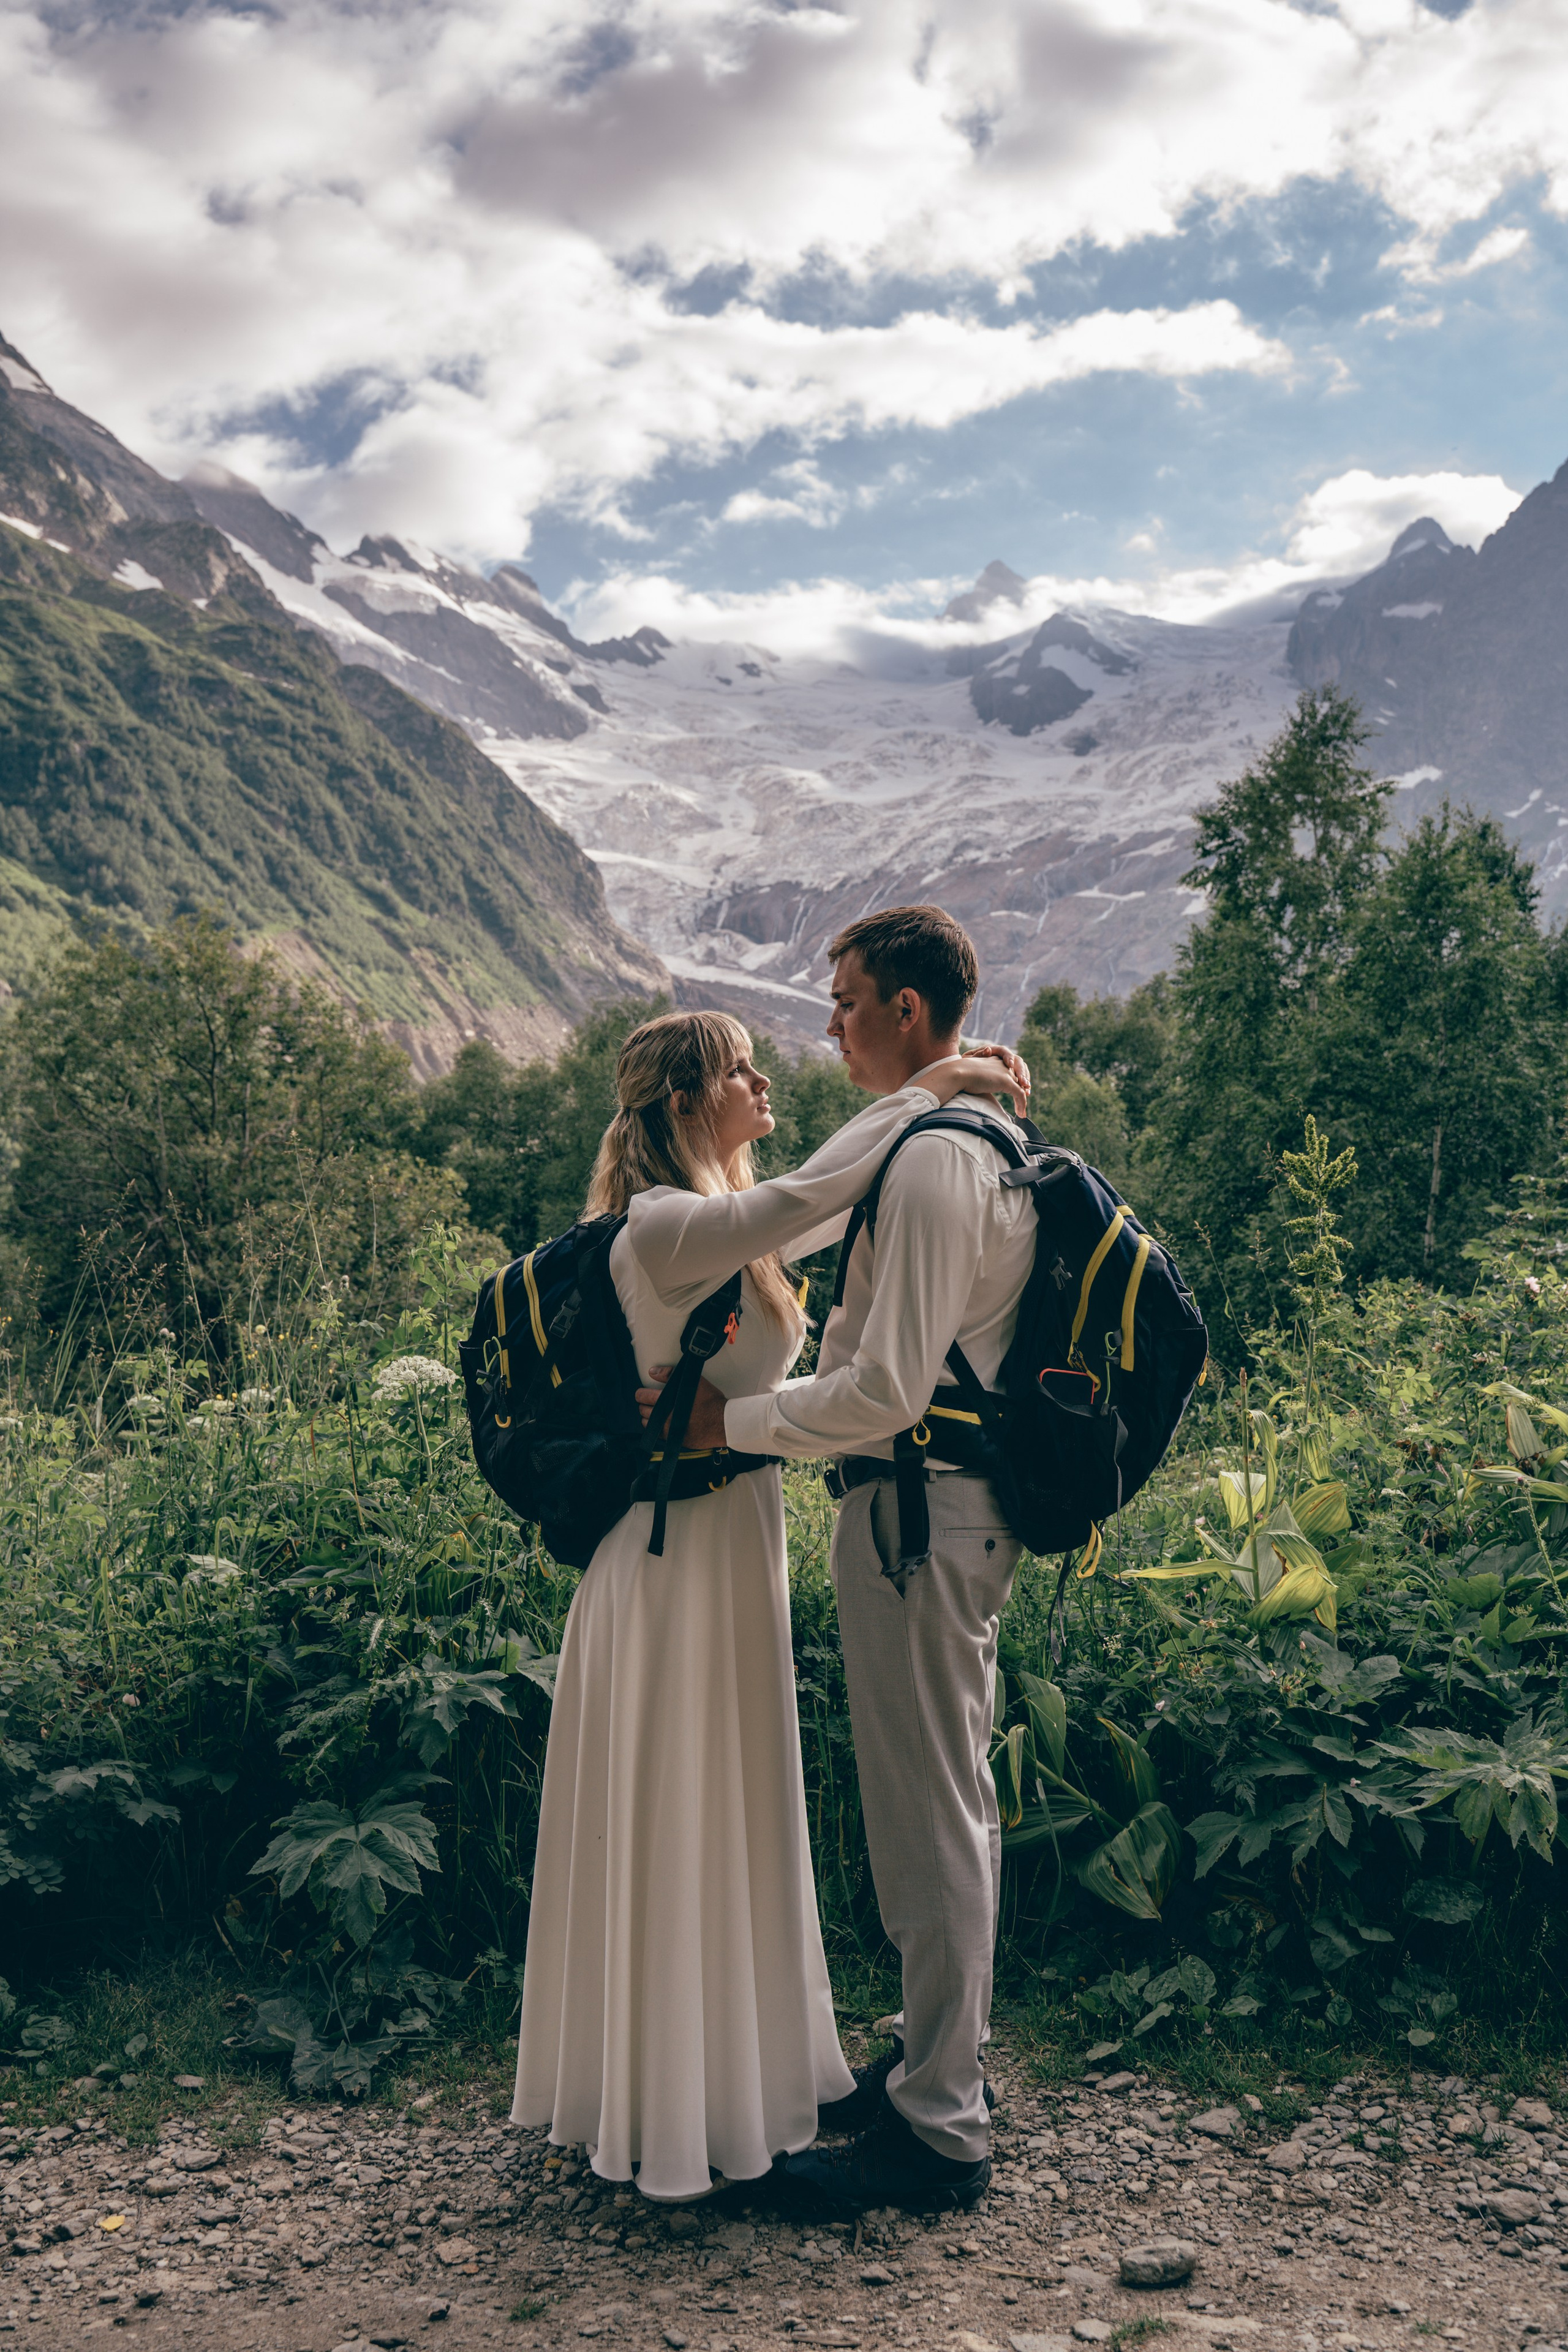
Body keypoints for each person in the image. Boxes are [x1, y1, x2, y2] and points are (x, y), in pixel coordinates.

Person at [512, 1006, 1027, 2204]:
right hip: (667, 1565)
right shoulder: (665, 1224)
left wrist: (942, 1113)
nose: (762, 1077)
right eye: (738, 1068)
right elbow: (820, 1189)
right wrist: (937, 1083)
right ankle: (671, 2109)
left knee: (732, 1814)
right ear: (686, 1099)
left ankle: (741, 2073)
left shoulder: (729, 1229)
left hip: (725, 1552)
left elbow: (847, 1196)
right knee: (686, 1813)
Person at [641, 907, 1034, 2212]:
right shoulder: (934, 1142)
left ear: (909, 1013)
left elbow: (880, 1390)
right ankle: (935, 2073)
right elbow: (795, 1214)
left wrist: (732, 1423)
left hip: (920, 1511)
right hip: (923, 1512)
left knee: (929, 1814)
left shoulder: (931, 1166)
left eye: (847, 1000)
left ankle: (936, 2130)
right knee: (934, 1803)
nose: (827, 1026)